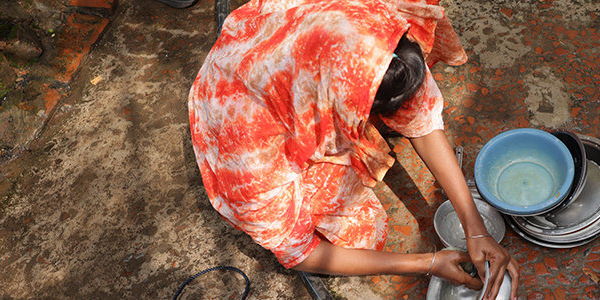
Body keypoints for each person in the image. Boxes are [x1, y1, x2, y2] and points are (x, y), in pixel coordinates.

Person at [186, 0, 520, 299]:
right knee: (361, 235)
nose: (404, 113)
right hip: (243, 114)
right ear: (338, 108)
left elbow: (421, 118)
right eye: (379, 113)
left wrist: (474, 228)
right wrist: (426, 263)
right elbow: (302, 253)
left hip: (294, 71)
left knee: (398, 84)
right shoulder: (247, 149)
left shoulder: (367, 29)